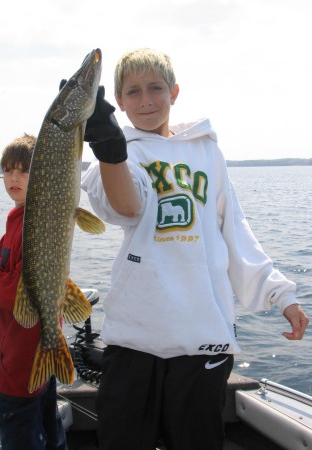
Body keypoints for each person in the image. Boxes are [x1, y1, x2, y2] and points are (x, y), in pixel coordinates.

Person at [81, 48, 309, 450]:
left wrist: (280, 294)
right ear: (119, 102)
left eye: (156, 88)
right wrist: (109, 149)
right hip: (135, 336)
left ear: (175, 92)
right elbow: (126, 207)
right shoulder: (122, 151)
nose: (146, 100)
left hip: (201, 335)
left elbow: (234, 231)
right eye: (133, 92)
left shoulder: (206, 151)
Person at [0, 134, 67, 450]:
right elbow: (9, 264)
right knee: (52, 438)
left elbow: (16, 293)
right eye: (7, 169)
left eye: (24, 170)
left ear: (40, 175)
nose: (14, 177)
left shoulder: (32, 222)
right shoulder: (19, 219)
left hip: (17, 370)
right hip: (37, 362)